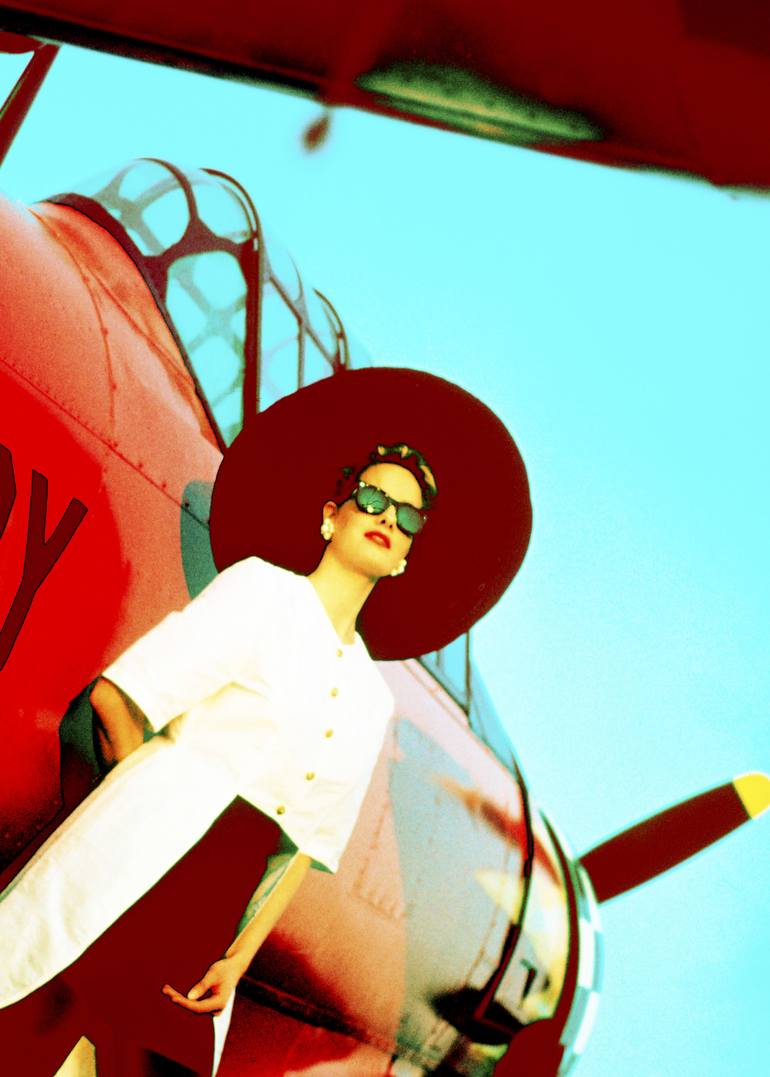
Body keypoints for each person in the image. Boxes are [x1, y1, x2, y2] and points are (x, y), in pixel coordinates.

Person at [0, 367, 532, 1076]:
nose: (387, 518)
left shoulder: (371, 699)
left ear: (406, 557)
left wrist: (237, 960)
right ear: (331, 516)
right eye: (373, 498)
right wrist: (140, 816)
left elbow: (302, 849)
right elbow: (117, 698)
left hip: (210, 933)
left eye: (407, 518)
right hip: (129, 873)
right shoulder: (261, 590)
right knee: (30, 1030)